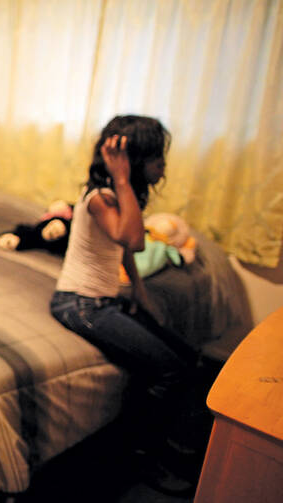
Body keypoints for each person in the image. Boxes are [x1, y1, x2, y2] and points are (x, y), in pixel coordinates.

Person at [49, 115, 199, 495]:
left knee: (187, 357)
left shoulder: (123, 195)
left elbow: (125, 254)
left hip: (104, 302)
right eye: (156, 158)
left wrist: (141, 298)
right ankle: (141, 456)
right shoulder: (100, 197)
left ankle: (174, 446)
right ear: (132, 160)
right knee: (169, 372)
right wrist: (120, 176)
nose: (163, 166)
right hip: (79, 304)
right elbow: (133, 239)